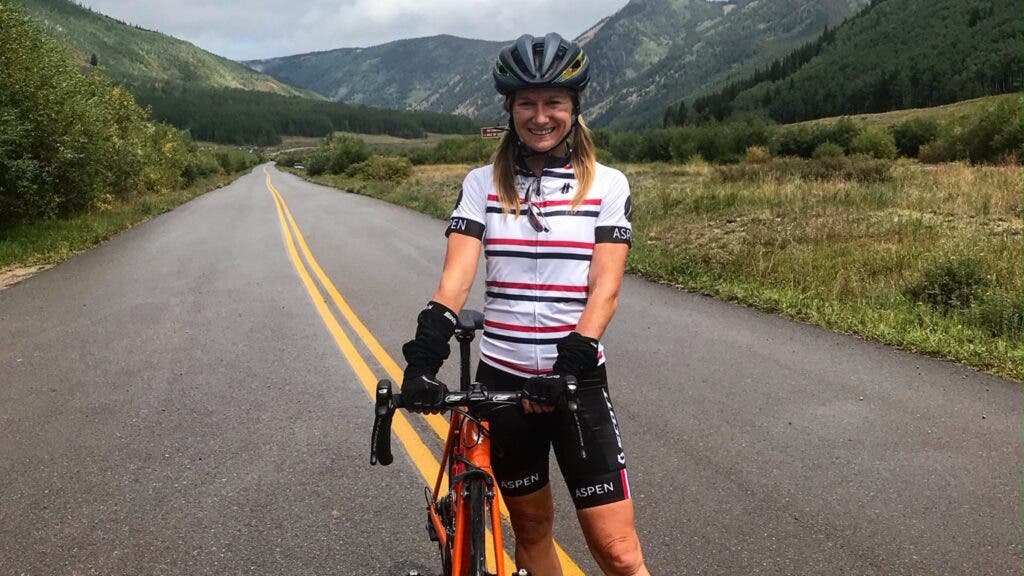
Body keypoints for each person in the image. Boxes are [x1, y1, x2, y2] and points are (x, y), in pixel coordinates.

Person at [401, 33, 650, 576]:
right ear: (510, 109)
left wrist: (568, 368)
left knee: (618, 551)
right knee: (532, 531)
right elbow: (455, 280)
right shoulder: (482, 184)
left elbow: (604, 290)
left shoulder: (606, 185)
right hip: (504, 385)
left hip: (574, 382)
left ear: (574, 108)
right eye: (527, 103)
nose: (541, 116)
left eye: (553, 102)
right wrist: (422, 359)